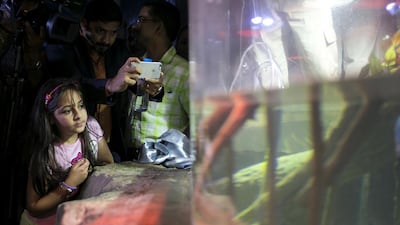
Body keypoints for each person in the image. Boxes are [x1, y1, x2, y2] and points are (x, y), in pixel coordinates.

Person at [44, 0, 164, 161]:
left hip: (111, 146)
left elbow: (135, 84)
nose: (106, 40)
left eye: (113, 33)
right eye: (100, 31)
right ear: (84, 24)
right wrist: (109, 85)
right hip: (71, 146)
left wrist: (154, 87)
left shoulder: (119, 51)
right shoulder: (63, 49)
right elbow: (73, 88)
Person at [19, 78, 114, 225]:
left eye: (81, 106)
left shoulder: (91, 127)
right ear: (51, 118)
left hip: (77, 217)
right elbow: (34, 207)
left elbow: (108, 163)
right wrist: (69, 184)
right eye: (68, 111)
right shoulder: (49, 153)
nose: (78, 115)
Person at [128, 0, 190, 159]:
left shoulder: (185, 72)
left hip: (166, 163)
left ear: (158, 27)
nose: (136, 26)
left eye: (142, 20)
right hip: (131, 159)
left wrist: (170, 152)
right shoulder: (135, 65)